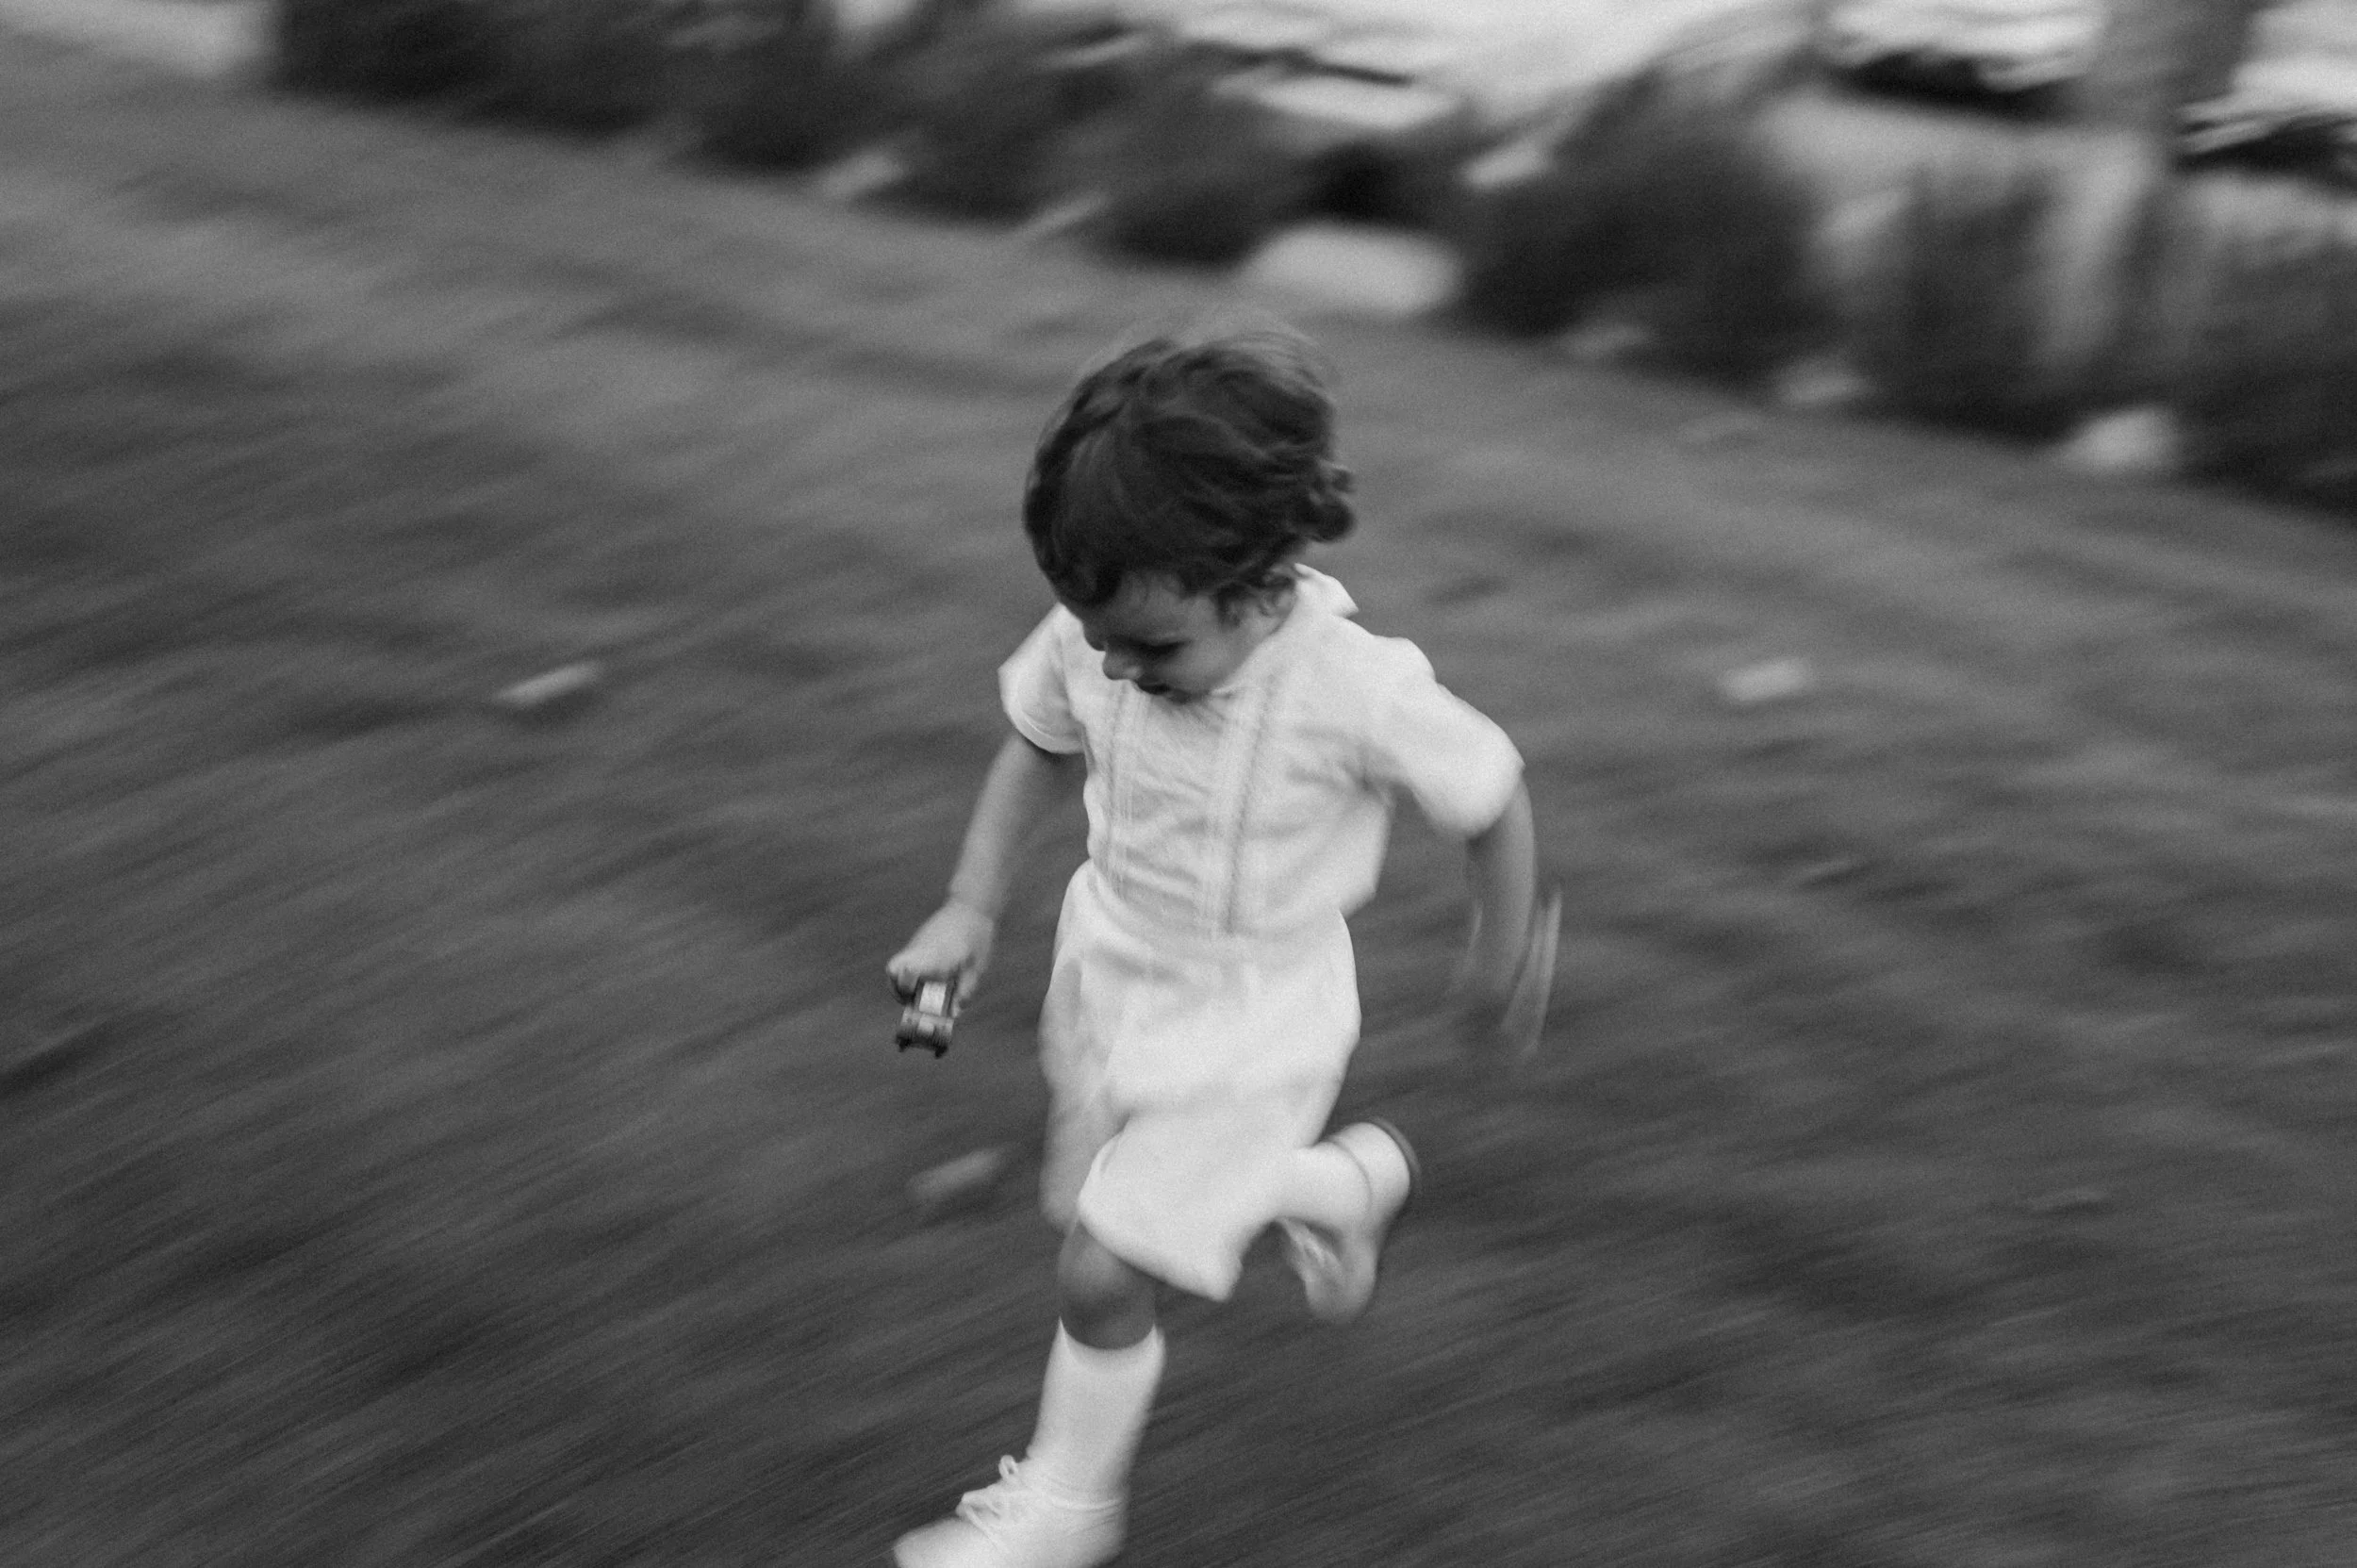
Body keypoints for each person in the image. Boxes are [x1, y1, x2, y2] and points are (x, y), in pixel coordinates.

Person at [885, 327, 1545, 1568]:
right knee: (1103, 1199)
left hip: (1261, 1012)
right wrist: (970, 904)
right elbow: (1037, 740)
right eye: (1105, 642)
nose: (1121, 674)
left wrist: (1496, 959)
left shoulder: (1355, 686)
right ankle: (1342, 1190)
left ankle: (1067, 1518)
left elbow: (1492, 793)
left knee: (1102, 1269)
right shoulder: (1105, 629)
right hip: (1113, 967)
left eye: (1156, 649)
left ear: (1259, 578)